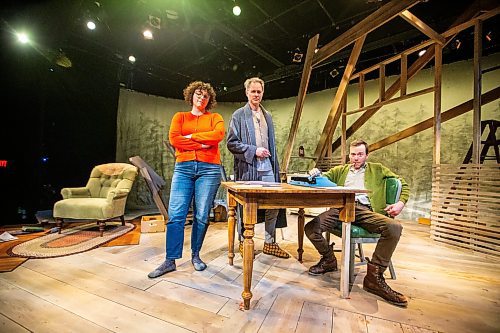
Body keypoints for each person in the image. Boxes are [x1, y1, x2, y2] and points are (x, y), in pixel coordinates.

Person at [305, 139, 410, 307]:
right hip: (340, 207)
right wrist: (316, 173)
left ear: (366, 155)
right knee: (311, 228)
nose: (356, 158)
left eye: (360, 154)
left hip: (365, 210)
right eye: (353, 154)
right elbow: (323, 179)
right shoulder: (341, 170)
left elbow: (402, 183)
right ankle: (329, 259)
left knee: (394, 227)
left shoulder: (377, 169)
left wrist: (400, 203)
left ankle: (374, 277)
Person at [148, 81, 225, 278]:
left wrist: (191, 138)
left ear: (209, 100)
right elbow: (175, 139)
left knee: (201, 215)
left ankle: (196, 255)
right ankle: (170, 260)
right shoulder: (180, 117)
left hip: (209, 169)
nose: (202, 98)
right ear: (191, 96)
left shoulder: (215, 117)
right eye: (198, 94)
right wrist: (202, 142)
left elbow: (218, 135)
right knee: (176, 215)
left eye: (206, 96)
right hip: (183, 168)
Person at [227, 77, 289, 259]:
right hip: (248, 169)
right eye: (253, 91)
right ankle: (243, 241)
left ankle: (270, 243)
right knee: (246, 207)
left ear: (263, 93)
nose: (256, 94)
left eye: (259, 91)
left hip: (268, 169)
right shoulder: (238, 115)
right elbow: (232, 144)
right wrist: (254, 151)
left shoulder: (267, 115)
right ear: (246, 92)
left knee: (274, 204)